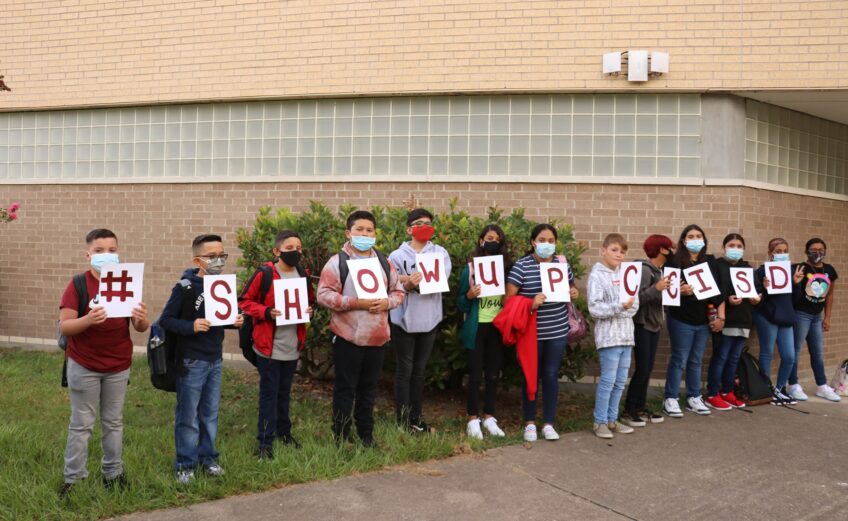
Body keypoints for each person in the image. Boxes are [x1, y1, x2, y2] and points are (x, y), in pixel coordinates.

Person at [58, 229, 150, 499]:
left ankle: (114, 474)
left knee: (114, 422)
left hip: (118, 366)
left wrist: (142, 318)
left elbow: (140, 327)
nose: (106, 255)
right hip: (84, 364)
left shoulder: (127, 281)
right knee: (82, 423)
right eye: (99, 250)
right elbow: (66, 326)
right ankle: (73, 479)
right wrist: (88, 320)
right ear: (88, 254)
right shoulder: (77, 284)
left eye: (112, 249)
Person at [160, 234, 244, 484]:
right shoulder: (185, 287)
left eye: (222, 255)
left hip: (214, 360)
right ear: (198, 260)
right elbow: (166, 320)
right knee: (188, 416)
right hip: (191, 361)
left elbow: (222, 317)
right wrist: (191, 326)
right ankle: (185, 464)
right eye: (212, 256)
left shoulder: (223, 285)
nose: (218, 260)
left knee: (210, 413)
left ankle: (208, 458)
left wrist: (235, 321)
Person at [317, 210, 404, 448]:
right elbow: (323, 295)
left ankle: (366, 435)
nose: (365, 234)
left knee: (368, 391)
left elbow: (399, 291)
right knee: (345, 390)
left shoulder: (384, 262)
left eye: (369, 230)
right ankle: (342, 437)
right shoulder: (338, 262)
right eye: (360, 230)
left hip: (377, 339)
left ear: (375, 234)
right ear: (349, 233)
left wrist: (388, 302)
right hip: (347, 338)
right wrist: (357, 303)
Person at [239, 231, 315, 460]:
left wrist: (309, 309)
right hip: (268, 346)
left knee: (284, 393)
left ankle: (284, 433)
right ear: (277, 251)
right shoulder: (265, 273)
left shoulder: (303, 274)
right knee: (269, 394)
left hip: (292, 345)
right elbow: (243, 301)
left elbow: (308, 301)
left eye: (299, 248)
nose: (295, 252)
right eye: (290, 247)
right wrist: (265, 312)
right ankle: (264, 442)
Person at [505, 224, 579, 442]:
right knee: (531, 377)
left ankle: (548, 422)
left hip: (556, 330)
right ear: (533, 242)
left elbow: (570, 288)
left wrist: (573, 292)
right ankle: (529, 422)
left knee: (550, 375)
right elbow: (508, 300)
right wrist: (530, 303)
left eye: (551, 240)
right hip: (531, 333)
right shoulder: (522, 266)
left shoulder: (562, 264)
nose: (547, 244)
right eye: (542, 240)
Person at [388, 209, 452, 433]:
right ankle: (402, 419)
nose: (424, 226)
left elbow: (441, 278)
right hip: (402, 320)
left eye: (428, 223)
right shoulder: (397, 255)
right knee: (404, 370)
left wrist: (410, 280)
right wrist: (407, 283)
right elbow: (391, 282)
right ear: (409, 229)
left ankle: (416, 417)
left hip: (430, 319)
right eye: (419, 223)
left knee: (419, 371)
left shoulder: (440, 253)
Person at [662, 224, 725, 418]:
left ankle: (694, 396)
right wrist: (682, 292)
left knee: (696, 360)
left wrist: (721, 317)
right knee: (679, 359)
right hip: (681, 318)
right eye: (691, 236)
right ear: (683, 240)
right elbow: (667, 291)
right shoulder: (673, 261)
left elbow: (718, 292)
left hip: (703, 319)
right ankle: (670, 398)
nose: (696, 239)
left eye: (699, 236)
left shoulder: (710, 262)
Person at [457, 224, 510, 439]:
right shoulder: (470, 270)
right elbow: (459, 303)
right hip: (477, 326)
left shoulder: (507, 269)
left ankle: (489, 416)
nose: (492, 241)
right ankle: (472, 418)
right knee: (476, 374)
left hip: (497, 327)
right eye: (489, 238)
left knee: (493, 374)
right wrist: (469, 295)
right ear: (481, 241)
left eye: (497, 239)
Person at [588, 233, 638, 439]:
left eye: (622, 251)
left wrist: (624, 308)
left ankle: (612, 419)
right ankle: (599, 421)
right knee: (608, 381)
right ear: (604, 250)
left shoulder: (627, 274)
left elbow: (634, 306)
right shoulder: (596, 275)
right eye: (614, 250)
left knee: (619, 382)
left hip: (626, 336)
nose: (619, 254)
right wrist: (620, 306)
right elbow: (595, 308)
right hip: (609, 338)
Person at [622, 234, 673, 427]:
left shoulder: (659, 271)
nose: (671, 253)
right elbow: (637, 300)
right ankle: (629, 409)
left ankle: (640, 407)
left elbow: (657, 301)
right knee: (642, 368)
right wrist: (656, 288)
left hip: (653, 324)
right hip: (642, 325)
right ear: (662, 249)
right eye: (669, 248)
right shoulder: (644, 270)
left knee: (648, 368)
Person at [705, 234, 759, 410]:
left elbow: (757, 290)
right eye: (731, 245)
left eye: (739, 246)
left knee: (734, 358)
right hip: (725, 320)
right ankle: (713, 393)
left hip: (744, 320)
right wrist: (728, 301)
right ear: (723, 247)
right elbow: (714, 293)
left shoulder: (748, 268)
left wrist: (757, 298)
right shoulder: (717, 266)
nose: (735, 249)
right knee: (721, 357)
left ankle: (727, 391)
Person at [789, 238, 840, 402]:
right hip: (801, 314)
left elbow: (829, 295)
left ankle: (822, 386)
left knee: (817, 353)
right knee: (795, 352)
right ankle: (793, 385)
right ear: (806, 251)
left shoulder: (829, 270)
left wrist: (828, 318)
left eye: (820, 249)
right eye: (813, 249)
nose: (817, 252)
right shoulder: (800, 268)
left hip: (817, 317)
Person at [753, 238, 802, 405]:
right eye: (778, 251)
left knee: (789, 356)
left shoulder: (791, 271)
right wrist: (764, 288)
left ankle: (780, 389)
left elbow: (796, 300)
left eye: (784, 251)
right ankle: (767, 389)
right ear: (770, 253)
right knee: (767, 353)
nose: (782, 254)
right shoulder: (761, 272)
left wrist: (796, 284)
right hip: (767, 316)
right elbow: (756, 299)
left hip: (785, 317)